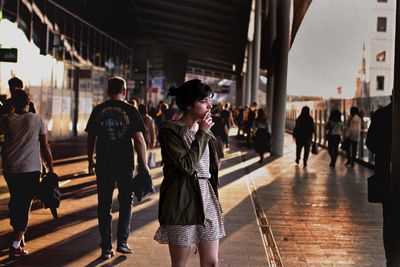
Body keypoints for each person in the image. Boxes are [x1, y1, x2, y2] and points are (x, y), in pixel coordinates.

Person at [154, 79, 225, 267]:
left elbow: (211, 170)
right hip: (181, 201)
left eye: (209, 100)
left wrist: (204, 133)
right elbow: (187, 166)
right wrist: (202, 133)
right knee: (180, 264)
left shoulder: (206, 132)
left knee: (211, 262)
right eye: (203, 101)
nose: (209, 105)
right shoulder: (170, 130)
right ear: (189, 104)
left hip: (206, 200)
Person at [85, 77, 149, 259]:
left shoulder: (98, 110)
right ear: (124, 91)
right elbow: (139, 140)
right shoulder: (130, 109)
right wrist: (144, 166)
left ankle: (106, 247)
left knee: (103, 204)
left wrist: (90, 159)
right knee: (126, 201)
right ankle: (122, 242)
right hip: (125, 163)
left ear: (107, 91)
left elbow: (91, 138)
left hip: (104, 163)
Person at [0, 90, 54, 258]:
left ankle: (19, 235)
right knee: (24, 205)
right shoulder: (37, 119)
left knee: (17, 200)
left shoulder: (6, 120)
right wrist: (51, 167)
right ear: (29, 102)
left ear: (13, 103)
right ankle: (16, 244)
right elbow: (45, 147)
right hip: (30, 169)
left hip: (10, 169)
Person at [366, 98, 399, 266]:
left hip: (386, 177)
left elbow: (369, 142)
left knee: (390, 220)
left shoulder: (380, 115)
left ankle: (391, 259)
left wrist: (384, 151)